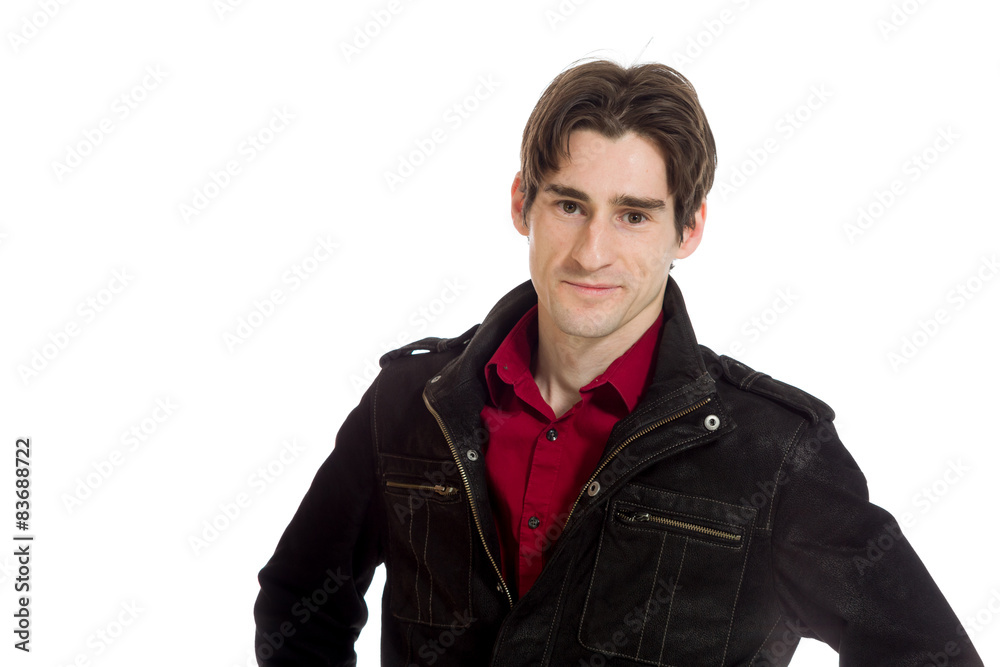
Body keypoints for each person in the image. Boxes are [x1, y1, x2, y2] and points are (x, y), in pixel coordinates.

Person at [253, 59, 983, 666]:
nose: (591, 251)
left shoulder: (775, 453)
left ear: (688, 228)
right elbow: (300, 602)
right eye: (569, 205)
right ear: (522, 204)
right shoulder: (411, 403)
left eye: (633, 215)